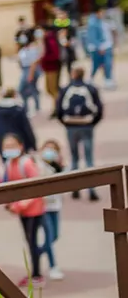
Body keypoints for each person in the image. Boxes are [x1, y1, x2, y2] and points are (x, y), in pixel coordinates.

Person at [0, 137, 47, 286]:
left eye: (12, 145)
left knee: (32, 241)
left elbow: (37, 186)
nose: (9, 149)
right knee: (29, 240)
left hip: (34, 209)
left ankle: (37, 274)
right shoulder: (9, 164)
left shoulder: (26, 163)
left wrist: (20, 205)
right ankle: (35, 272)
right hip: (22, 210)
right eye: (6, 146)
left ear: (20, 146)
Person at [54, 64, 104, 201]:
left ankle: (75, 188)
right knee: (89, 159)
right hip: (87, 125)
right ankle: (91, 189)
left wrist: (66, 123)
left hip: (71, 126)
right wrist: (92, 123)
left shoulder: (65, 89)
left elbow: (58, 110)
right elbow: (99, 109)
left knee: (74, 158)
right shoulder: (91, 88)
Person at [38, 138, 67, 281]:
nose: (49, 152)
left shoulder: (59, 167)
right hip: (43, 206)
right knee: (49, 236)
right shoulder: (38, 166)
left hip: (55, 205)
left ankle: (36, 252)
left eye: (53, 149)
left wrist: (59, 165)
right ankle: (53, 266)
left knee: (55, 235)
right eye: (47, 148)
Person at [0, 85, 36, 152]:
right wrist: (32, 143)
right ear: (14, 95)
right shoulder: (18, 109)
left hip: (4, 141)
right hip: (19, 140)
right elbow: (26, 127)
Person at [82, 10, 115, 87]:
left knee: (107, 64)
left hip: (106, 46)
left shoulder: (103, 21)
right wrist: (99, 47)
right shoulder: (93, 23)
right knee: (97, 64)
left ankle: (108, 79)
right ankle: (92, 79)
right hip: (98, 48)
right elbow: (92, 37)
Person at [17, 30, 43, 113]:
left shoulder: (32, 48)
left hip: (30, 70)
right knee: (30, 89)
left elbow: (33, 62)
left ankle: (35, 107)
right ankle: (29, 107)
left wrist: (30, 74)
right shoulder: (23, 48)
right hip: (25, 70)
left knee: (27, 89)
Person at [40, 23, 63, 101]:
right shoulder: (46, 39)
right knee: (48, 89)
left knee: (53, 89)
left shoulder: (51, 39)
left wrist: (43, 58)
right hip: (48, 67)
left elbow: (55, 55)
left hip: (52, 67)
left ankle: (57, 108)